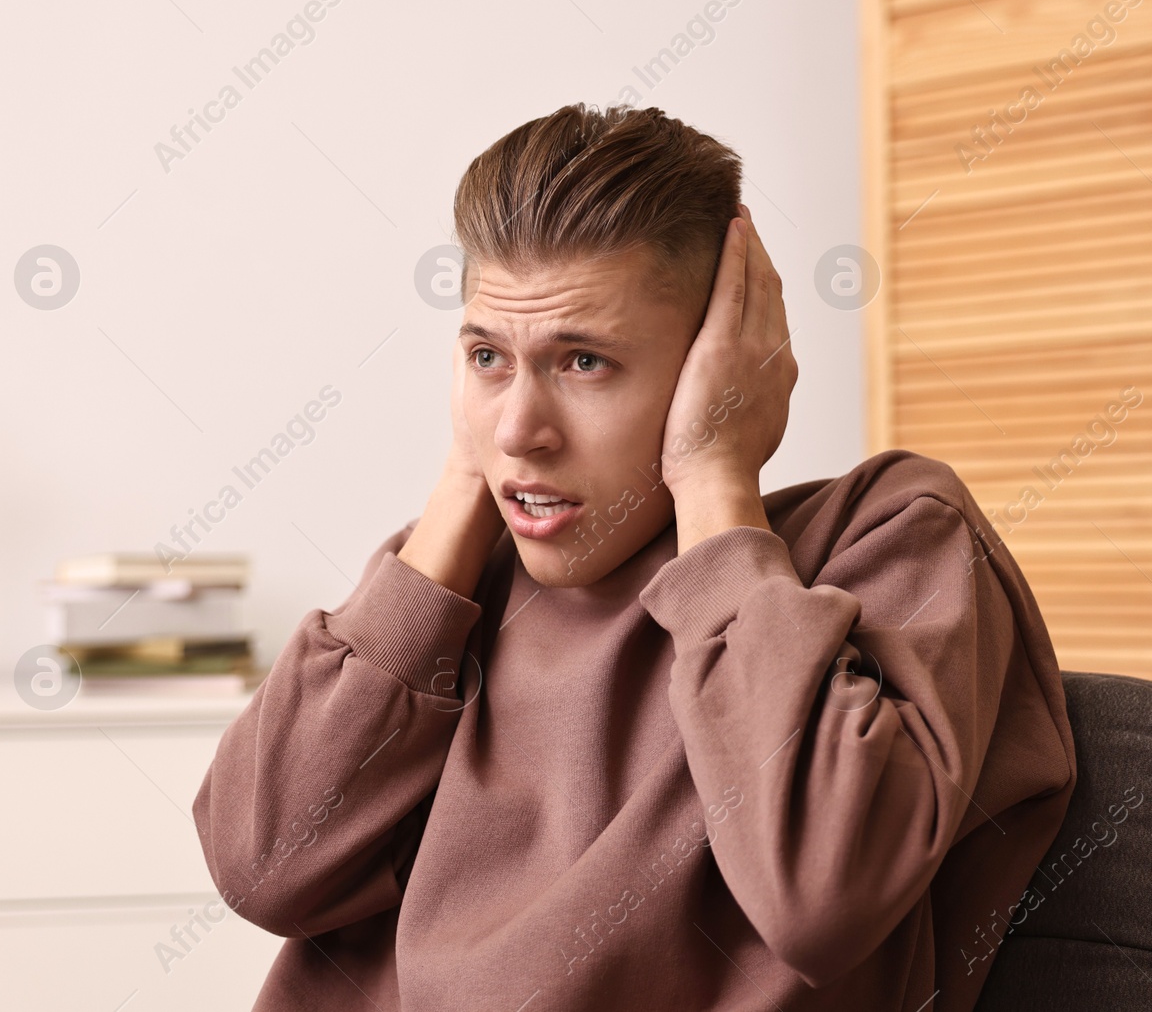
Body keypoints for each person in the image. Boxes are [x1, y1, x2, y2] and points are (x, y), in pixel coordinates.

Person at [192, 103, 1076, 1011]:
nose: (523, 430)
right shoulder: (456, 581)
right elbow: (262, 868)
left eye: (584, 362)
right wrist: (469, 473)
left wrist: (715, 474)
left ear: (719, 363)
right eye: (487, 355)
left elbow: (821, 895)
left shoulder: (885, 540)